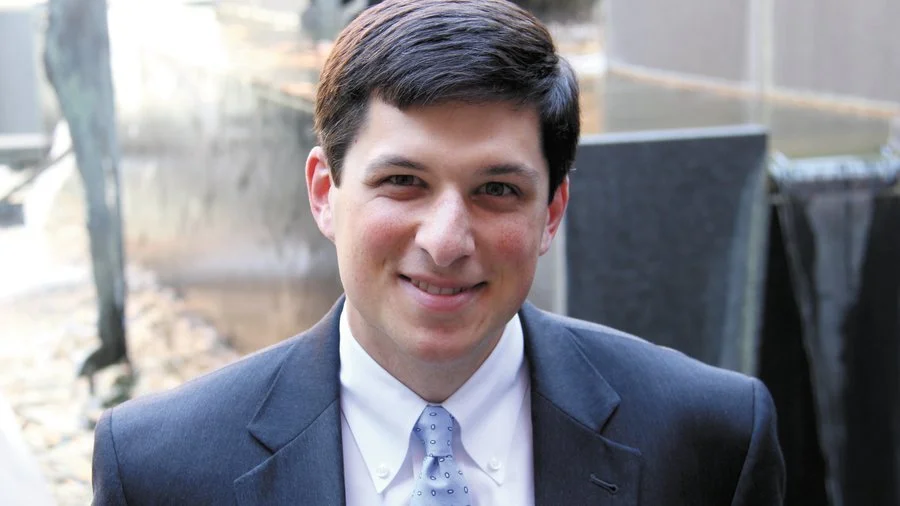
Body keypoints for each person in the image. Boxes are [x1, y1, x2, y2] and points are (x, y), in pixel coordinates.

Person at [91, 0, 785, 504]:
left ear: (552, 212)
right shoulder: (160, 470)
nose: (446, 241)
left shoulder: (708, 439)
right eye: (403, 182)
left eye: (496, 190)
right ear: (325, 193)